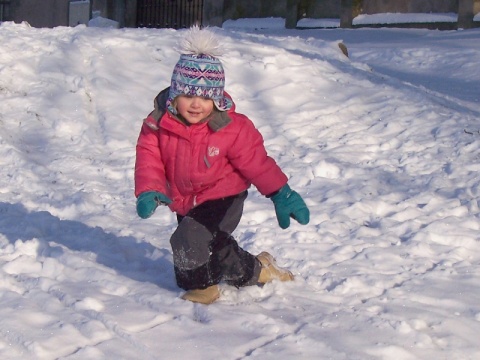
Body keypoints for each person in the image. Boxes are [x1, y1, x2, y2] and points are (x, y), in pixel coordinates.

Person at [134, 26, 309, 305]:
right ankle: (259, 270)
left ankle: (205, 288)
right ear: (175, 94)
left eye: (205, 97)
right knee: (213, 253)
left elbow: (257, 163)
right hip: (184, 199)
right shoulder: (158, 124)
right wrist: (149, 190)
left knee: (189, 239)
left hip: (223, 195)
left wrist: (281, 193)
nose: (196, 104)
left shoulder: (230, 127)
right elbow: (149, 158)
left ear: (216, 98)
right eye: (188, 95)